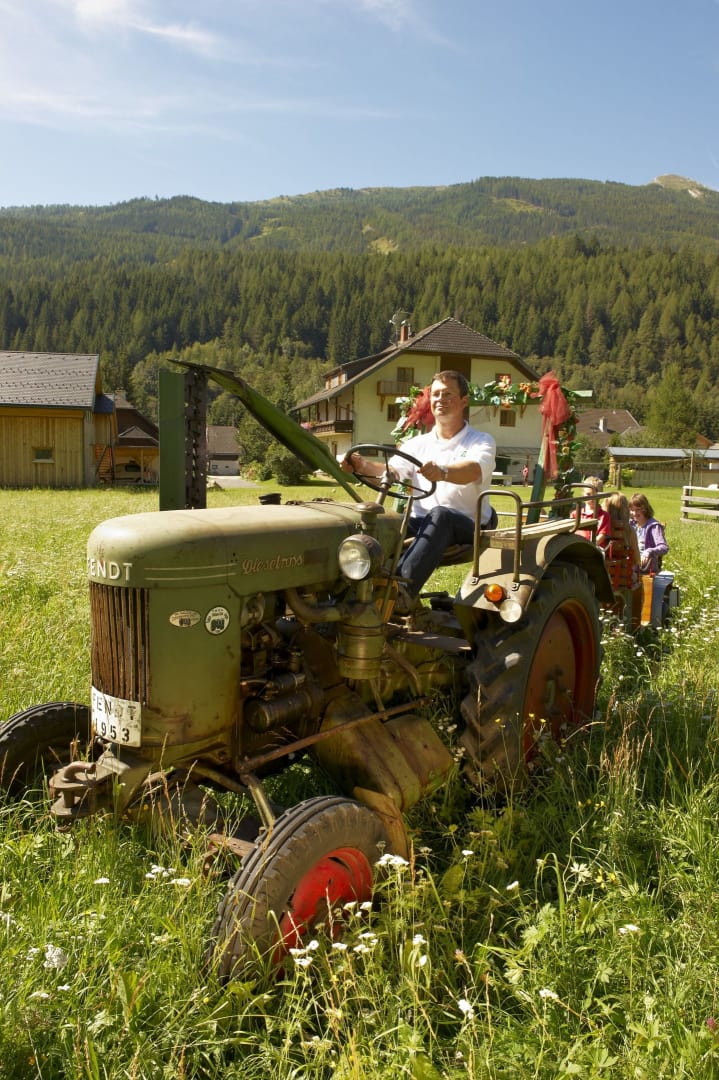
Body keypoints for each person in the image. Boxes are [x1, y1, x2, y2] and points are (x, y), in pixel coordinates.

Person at [343, 370, 496, 607]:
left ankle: (399, 592)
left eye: (448, 394)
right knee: (373, 524)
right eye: (436, 394)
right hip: (420, 522)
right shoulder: (417, 444)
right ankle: (348, 588)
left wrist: (443, 472)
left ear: (464, 401)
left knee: (441, 515)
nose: (440, 400)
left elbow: (474, 470)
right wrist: (360, 465)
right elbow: (391, 472)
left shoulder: (481, 440)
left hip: (468, 524)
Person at [598, 492, 642, 628]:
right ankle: (632, 625)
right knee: (639, 582)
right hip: (623, 579)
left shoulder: (600, 529)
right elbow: (637, 560)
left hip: (601, 579)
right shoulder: (629, 531)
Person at [629, 492, 668, 574]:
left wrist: (649, 551)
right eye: (632, 510)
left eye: (638, 510)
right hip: (630, 568)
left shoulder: (653, 526)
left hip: (646, 571)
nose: (634, 513)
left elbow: (664, 547)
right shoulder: (631, 524)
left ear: (645, 509)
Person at [573, 476, 610, 540]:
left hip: (594, 545)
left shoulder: (604, 516)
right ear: (583, 494)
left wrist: (589, 544)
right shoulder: (575, 514)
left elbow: (602, 535)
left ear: (600, 495)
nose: (591, 498)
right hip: (577, 544)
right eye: (588, 494)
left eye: (595, 495)